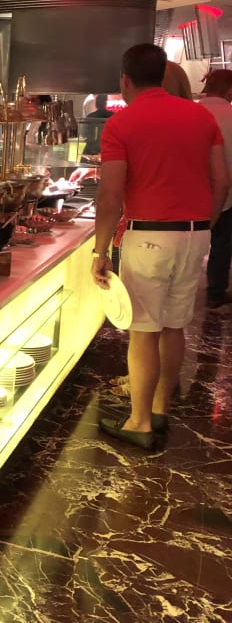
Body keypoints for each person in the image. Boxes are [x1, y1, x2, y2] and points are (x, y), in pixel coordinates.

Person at [91, 43, 229, 450]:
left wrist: (100, 251)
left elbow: (110, 194)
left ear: (125, 80)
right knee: (173, 326)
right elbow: (222, 180)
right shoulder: (201, 116)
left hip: (149, 236)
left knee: (143, 331)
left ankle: (139, 423)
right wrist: (206, 223)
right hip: (195, 234)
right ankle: (160, 408)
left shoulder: (121, 124)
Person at [199, 69, 232, 310]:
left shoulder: (188, 113)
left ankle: (178, 289)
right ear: (229, 92)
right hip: (227, 196)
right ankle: (215, 292)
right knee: (222, 244)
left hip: (189, 195)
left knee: (189, 244)